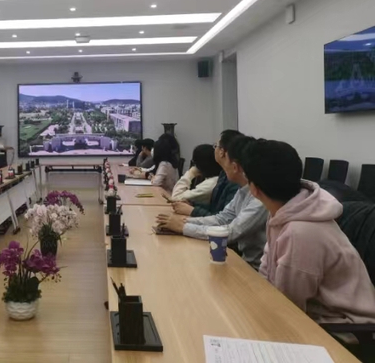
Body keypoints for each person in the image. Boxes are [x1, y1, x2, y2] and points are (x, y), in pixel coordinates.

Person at [243, 139, 375, 323]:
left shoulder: (300, 232)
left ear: (254, 189)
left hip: (346, 328)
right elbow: (267, 268)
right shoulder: (284, 211)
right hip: (314, 315)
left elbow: (289, 306)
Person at [157, 136, 268, 270]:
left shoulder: (259, 198)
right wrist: (184, 222)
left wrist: (184, 227)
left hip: (255, 269)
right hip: (244, 261)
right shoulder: (243, 190)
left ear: (234, 166)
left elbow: (232, 232)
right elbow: (222, 218)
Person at [172, 130, 241, 217]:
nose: (214, 150)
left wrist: (193, 211)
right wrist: (193, 205)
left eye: (215, 146)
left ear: (222, 152)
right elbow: (215, 208)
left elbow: (224, 219)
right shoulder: (223, 175)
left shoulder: (234, 181)